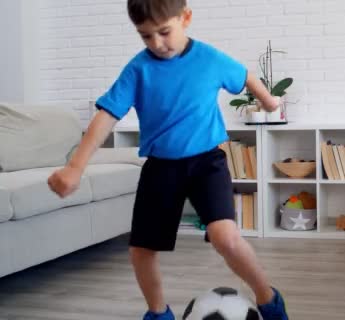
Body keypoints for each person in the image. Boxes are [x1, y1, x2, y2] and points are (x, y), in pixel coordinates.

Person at [47, 0, 289, 319]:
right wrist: (75, 166)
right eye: (146, 36)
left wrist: (270, 101)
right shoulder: (138, 69)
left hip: (207, 163)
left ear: (185, 18)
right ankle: (158, 312)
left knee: (225, 236)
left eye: (164, 32)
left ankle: (268, 298)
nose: (157, 44)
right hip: (161, 168)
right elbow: (107, 115)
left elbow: (245, 76)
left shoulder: (208, 57)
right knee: (140, 251)